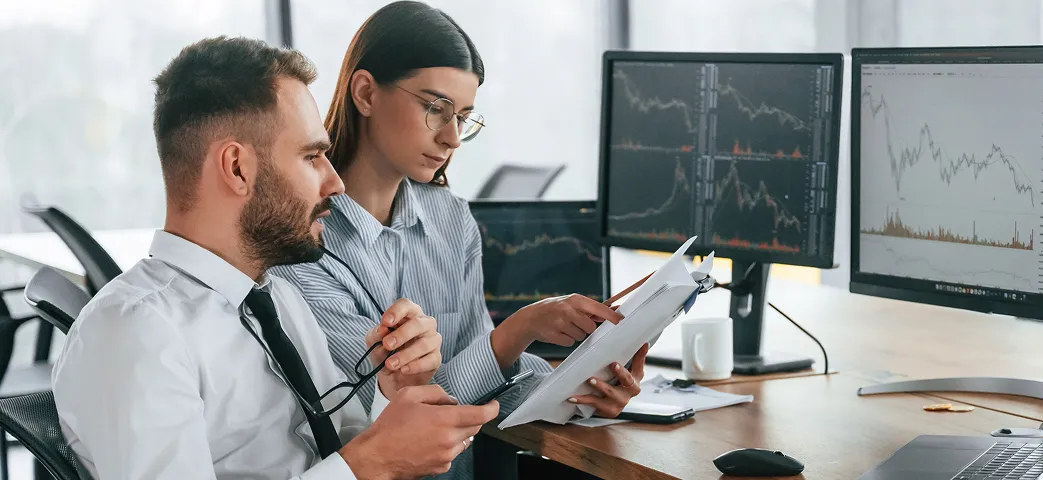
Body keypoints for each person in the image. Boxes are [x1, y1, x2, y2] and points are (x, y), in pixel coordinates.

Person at [51, 36, 497, 479]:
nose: (335, 183)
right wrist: (372, 463)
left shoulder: (277, 296)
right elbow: (354, 467)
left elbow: (340, 446)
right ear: (238, 168)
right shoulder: (135, 331)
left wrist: (389, 390)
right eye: (312, 157)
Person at [270, 2, 646, 476]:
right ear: (365, 93)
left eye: (464, 117)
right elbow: (388, 411)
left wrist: (582, 391)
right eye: (435, 108)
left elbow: (487, 384)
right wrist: (518, 331)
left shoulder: (450, 219)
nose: (452, 138)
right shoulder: (299, 245)